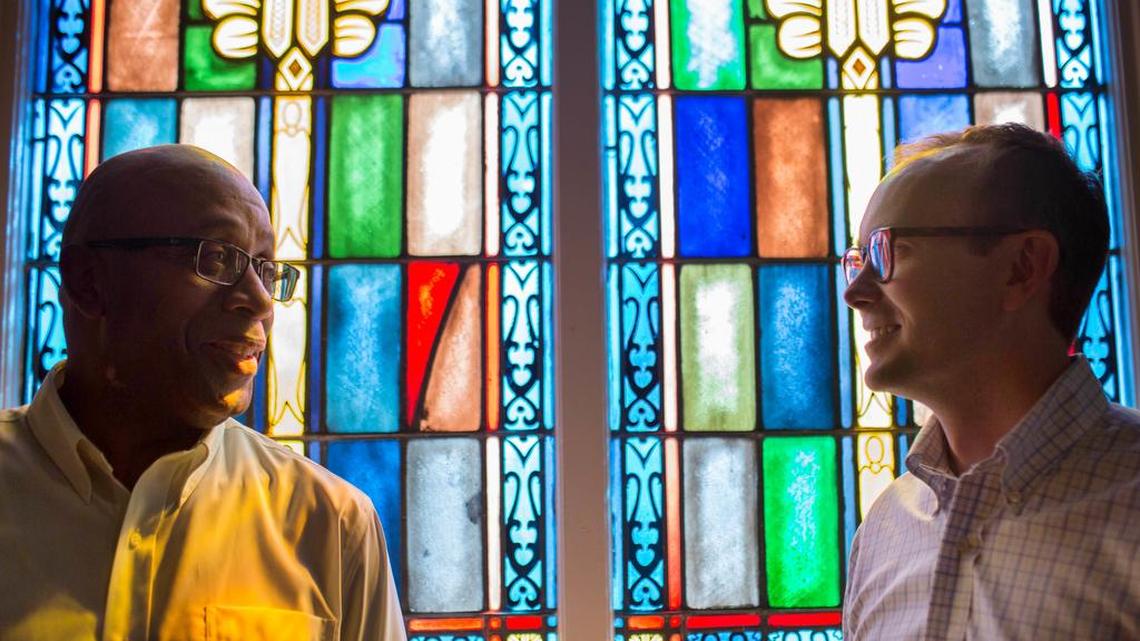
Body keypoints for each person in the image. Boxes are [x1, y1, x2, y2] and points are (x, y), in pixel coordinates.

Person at [0, 145, 406, 641]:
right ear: (89, 283)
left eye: (266, 269)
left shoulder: (330, 525)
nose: (258, 299)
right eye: (217, 257)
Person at [840, 123, 1140, 639]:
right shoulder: (886, 528)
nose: (856, 293)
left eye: (889, 251)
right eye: (857, 261)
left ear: (1021, 268)